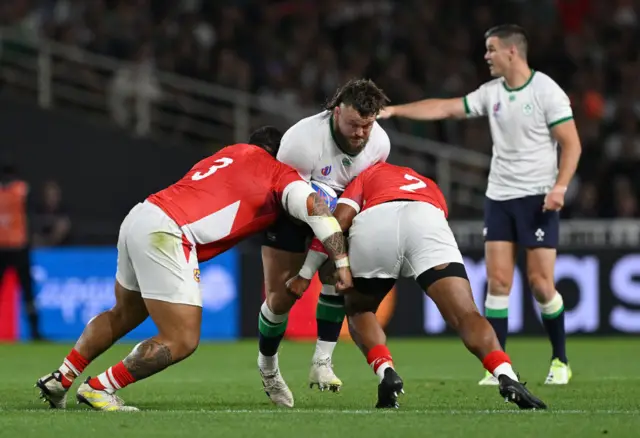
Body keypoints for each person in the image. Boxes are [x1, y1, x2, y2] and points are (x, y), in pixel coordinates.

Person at [35, 126, 353, 412]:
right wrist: (340, 261)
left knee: (123, 313)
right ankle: (100, 387)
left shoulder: (228, 153)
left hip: (141, 214)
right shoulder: (278, 172)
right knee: (182, 339)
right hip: (170, 232)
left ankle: (62, 377)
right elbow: (316, 211)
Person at [378, 24, 582, 385]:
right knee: (498, 282)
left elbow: (572, 143)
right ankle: (499, 365)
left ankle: (560, 360)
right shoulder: (492, 93)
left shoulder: (546, 91)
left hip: (538, 197)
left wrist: (560, 186)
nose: (486, 56)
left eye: (491, 49)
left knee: (539, 283)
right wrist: (395, 112)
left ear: (512, 52)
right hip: (499, 196)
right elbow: (446, 108)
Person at [287, 162, 547, 410]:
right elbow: (438, 219)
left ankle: (386, 370)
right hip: (427, 218)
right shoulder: (429, 183)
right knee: (467, 313)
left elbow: (338, 221)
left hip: (377, 221)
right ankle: (505, 373)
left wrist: (306, 272)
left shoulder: (365, 175)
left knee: (359, 310)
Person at [258, 78, 391, 406]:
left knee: (338, 280)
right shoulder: (301, 141)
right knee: (280, 298)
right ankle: (268, 367)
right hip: (292, 210)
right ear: (335, 112)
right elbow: (298, 201)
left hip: (338, 212)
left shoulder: (380, 144)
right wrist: (304, 271)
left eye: (368, 125)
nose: (361, 134)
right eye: (354, 125)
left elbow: (358, 199)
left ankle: (321, 362)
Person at [0, 163, 42, 340]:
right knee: (27, 291)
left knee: (28, 291)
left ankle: (34, 331)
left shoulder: (19, 190)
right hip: (15, 246)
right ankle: (35, 332)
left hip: (9, 246)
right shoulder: (21, 189)